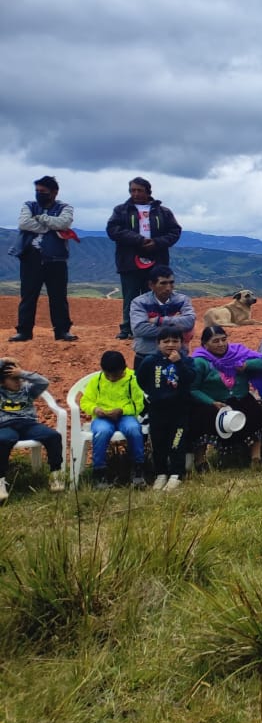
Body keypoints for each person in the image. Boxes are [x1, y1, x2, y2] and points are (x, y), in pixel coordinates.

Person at [191, 325, 262, 467]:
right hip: (214, 401)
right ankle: (200, 461)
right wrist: (211, 402)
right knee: (204, 417)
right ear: (205, 344)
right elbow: (193, 389)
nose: (221, 344)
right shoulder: (199, 361)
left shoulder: (238, 353)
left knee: (254, 412)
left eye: (223, 339)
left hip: (240, 397)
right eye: (215, 341)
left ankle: (255, 458)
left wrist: (246, 365)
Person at [106, 177, 182, 340]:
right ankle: (128, 328)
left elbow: (175, 232)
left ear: (148, 191)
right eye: (133, 190)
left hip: (157, 258)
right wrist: (138, 240)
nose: (136, 193)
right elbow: (113, 230)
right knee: (130, 295)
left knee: (155, 294)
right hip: (129, 259)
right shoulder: (121, 210)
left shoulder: (164, 212)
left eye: (140, 190)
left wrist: (157, 242)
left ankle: (155, 327)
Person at [9, 176, 77, 342]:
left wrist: (40, 218)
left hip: (56, 258)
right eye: (37, 191)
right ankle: (24, 331)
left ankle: (62, 331)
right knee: (28, 296)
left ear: (54, 192)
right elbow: (24, 223)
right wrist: (51, 226)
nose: (39, 194)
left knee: (58, 297)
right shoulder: (28, 205)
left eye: (43, 192)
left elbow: (64, 222)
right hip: (30, 257)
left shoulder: (65, 207)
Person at [136, 327, 198, 491]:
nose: (171, 345)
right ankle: (161, 473)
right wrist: (154, 393)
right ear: (158, 343)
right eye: (166, 341)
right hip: (157, 410)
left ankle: (176, 474)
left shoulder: (187, 361)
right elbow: (141, 379)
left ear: (181, 343)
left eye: (175, 341)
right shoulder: (150, 361)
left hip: (179, 410)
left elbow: (190, 378)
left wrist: (178, 362)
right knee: (159, 443)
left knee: (177, 442)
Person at [81, 350, 147, 488]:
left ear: (123, 369)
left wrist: (122, 410)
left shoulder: (133, 380)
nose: (111, 378)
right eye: (107, 375)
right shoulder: (97, 381)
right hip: (102, 417)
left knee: (134, 429)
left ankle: (138, 469)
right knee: (101, 432)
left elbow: (139, 404)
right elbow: (85, 401)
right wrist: (95, 409)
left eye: (115, 375)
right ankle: (99, 472)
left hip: (126, 416)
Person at [0, 360, 66, 499]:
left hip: (28, 424)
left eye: (18, 378)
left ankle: (56, 473)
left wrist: (23, 373)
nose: (17, 382)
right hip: (5, 425)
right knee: (3, 440)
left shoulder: (27, 390)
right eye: (12, 379)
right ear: (2, 382)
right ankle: (1, 480)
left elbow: (44, 382)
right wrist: (4, 360)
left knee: (53, 436)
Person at [129, 266, 197, 370]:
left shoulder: (182, 300)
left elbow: (189, 322)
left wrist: (158, 320)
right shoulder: (139, 302)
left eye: (171, 283)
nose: (168, 287)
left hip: (177, 355)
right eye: (163, 283)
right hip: (147, 355)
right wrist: (175, 328)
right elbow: (140, 329)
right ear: (151, 285)